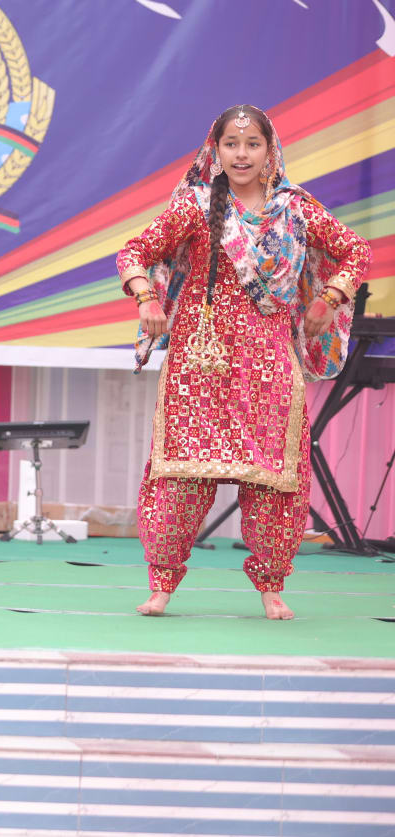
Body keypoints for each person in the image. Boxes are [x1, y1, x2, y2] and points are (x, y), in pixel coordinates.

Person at [118, 104, 370, 619]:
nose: (241, 154)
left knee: (272, 480)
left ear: (269, 150)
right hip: (201, 363)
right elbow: (134, 252)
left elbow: (355, 251)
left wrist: (331, 299)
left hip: (268, 365)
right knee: (181, 477)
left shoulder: (294, 208)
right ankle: (162, 584)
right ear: (215, 150)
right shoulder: (195, 206)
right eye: (231, 144)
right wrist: (146, 299)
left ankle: (271, 587)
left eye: (252, 144)